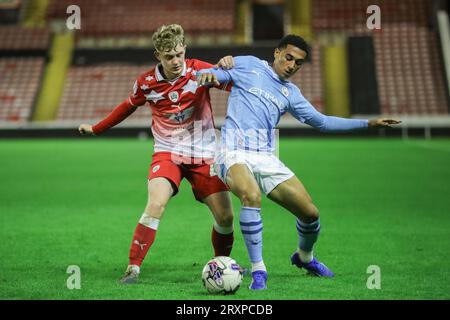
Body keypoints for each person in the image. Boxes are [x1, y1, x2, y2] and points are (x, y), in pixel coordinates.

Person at [197, 34, 401, 290]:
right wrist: (209, 74)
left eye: (299, 63)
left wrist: (367, 123)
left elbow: (322, 122)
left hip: (265, 157)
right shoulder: (249, 64)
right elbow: (218, 75)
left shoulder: (291, 93)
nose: (292, 65)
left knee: (310, 213)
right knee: (251, 196)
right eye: (289, 57)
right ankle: (259, 270)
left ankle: (304, 257)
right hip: (232, 151)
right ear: (277, 53)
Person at [79, 24, 236, 284]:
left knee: (226, 217)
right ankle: (133, 269)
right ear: (158, 56)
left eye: (178, 54)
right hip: (168, 153)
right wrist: (96, 129)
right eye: (168, 56)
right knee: (155, 204)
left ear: (185, 49)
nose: (175, 61)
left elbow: (236, 84)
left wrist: (231, 65)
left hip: (204, 154)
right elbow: (125, 108)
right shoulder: (146, 83)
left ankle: (221, 265)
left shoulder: (199, 70)